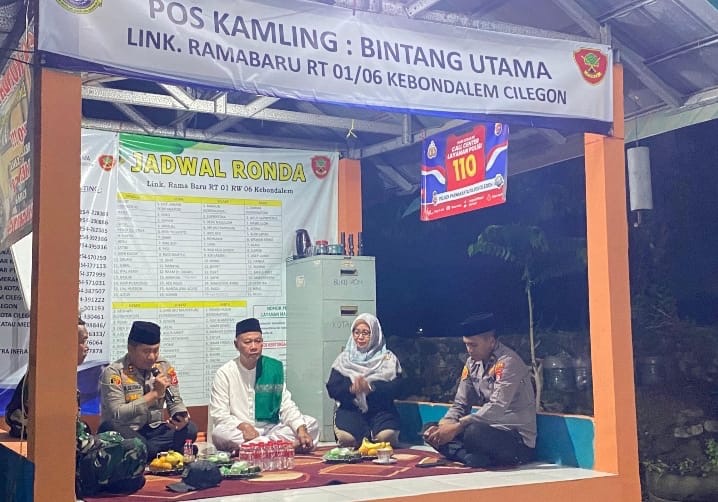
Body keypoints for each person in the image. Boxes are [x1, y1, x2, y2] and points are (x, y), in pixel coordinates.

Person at [424, 313, 536, 468]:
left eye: (474, 345)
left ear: (491, 342)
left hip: (514, 438)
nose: (469, 350)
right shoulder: (472, 364)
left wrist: (457, 427)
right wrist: (445, 424)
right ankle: (469, 457)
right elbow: (460, 404)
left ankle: (464, 455)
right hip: (484, 428)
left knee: (473, 432)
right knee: (429, 430)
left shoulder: (508, 363)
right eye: (466, 345)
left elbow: (496, 407)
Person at [209, 317, 318, 453]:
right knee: (219, 433)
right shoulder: (225, 373)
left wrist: (301, 429)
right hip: (241, 432)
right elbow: (219, 414)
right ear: (236, 345)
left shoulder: (272, 369)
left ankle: (258, 447)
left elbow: (286, 405)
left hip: (271, 429)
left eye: (258, 341)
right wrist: (243, 426)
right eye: (248, 342)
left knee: (310, 423)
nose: (254, 347)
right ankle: (280, 447)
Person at [98, 321, 197, 461]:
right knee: (111, 428)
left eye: (156, 350)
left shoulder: (164, 366)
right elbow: (117, 413)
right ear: (131, 349)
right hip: (128, 430)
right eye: (146, 351)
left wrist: (180, 415)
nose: (152, 357)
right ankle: (157, 450)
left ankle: (146, 452)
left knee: (190, 429)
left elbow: (175, 399)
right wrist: (154, 394)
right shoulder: (114, 372)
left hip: (154, 430)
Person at [325, 313, 403, 447]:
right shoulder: (344, 359)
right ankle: (362, 435)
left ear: (375, 334)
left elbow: (398, 388)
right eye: (357, 332)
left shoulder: (388, 359)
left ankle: (372, 435)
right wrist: (351, 389)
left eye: (365, 333)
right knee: (347, 440)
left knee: (386, 438)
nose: (360, 337)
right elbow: (332, 388)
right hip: (351, 409)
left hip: (382, 410)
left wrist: (371, 388)